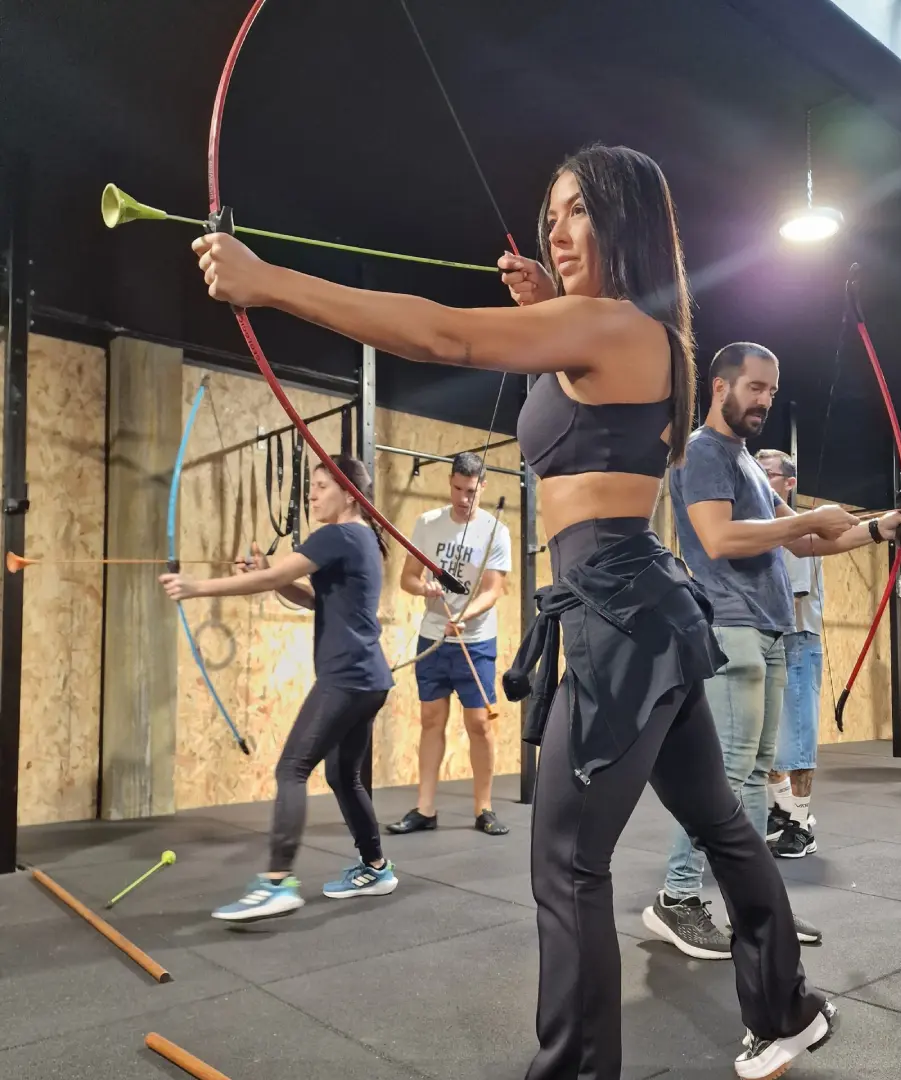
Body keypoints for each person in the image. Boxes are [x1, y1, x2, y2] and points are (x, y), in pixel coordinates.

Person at [190, 143, 839, 1079]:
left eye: (579, 211)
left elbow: (442, 336)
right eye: (553, 212)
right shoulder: (624, 335)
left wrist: (268, 282)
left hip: (620, 615)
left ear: (626, 220)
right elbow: (587, 419)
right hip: (635, 609)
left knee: (568, 862)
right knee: (721, 824)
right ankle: (785, 1009)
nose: (557, 228)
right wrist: (543, 306)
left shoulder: (616, 326)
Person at [642, 342, 901, 964]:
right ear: (720, 388)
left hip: (771, 628)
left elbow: (807, 544)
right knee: (723, 778)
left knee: (754, 779)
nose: (764, 400)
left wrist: (884, 525)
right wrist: (805, 519)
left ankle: (755, 905)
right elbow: (718, 538)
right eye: (755, 387)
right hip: (731, 627)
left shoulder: (745, 461)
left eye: (772, 390)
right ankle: (677, 894)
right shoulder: (701, 453)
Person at [160, 455, 399, 921]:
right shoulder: (362, 538)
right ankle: (376, 866)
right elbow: (308, 596)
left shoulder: (337, 534)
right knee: (341, 776)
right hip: (368, 679)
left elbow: (272, 578)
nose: (312, 494)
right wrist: (269, 573)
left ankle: (277, 882)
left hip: (348, 678)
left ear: (350, 493)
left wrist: (197, 587)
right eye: (310, 486)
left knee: (292, 768)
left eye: (322, 486)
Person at [388, 450, 512, 837]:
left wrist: (464, 616)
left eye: (471, 491)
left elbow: (494, 590)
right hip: (434, 637)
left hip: (474, 640)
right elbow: (407, 578)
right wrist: (422, 587)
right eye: (458, 489)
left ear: (483, 487)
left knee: (479, 724)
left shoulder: (496, 531)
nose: (463, 498)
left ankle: (484, 808)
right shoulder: (427, 524)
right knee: (431, 720)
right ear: (450, 484)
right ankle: (425, 808)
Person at [755, 449, 823, 859]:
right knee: (768, 741)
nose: (760, 479)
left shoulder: (794, 532)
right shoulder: (761, 531)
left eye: (769, 473)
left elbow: (790, 602)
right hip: (769, 642)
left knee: (796, 741)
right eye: (756, 472)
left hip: (793, 641)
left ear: (789, 483)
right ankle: (783, 810)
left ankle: (802, 823)